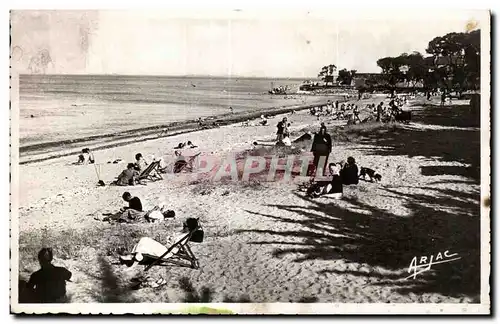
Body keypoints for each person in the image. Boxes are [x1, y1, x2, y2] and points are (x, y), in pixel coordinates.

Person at [119, 218, 201, 268]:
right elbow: (171, 237)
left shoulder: (184, 236)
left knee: (145, 242)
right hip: (165, 246)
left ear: (189, 228)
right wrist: (168, 239)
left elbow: (174, 245)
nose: (183, 226)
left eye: (185, 225)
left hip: (167, 251)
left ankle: (133, 259)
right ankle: (135, 255)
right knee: (144, 239)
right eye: (184, 224)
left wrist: (168, 241)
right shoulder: (182, 232)